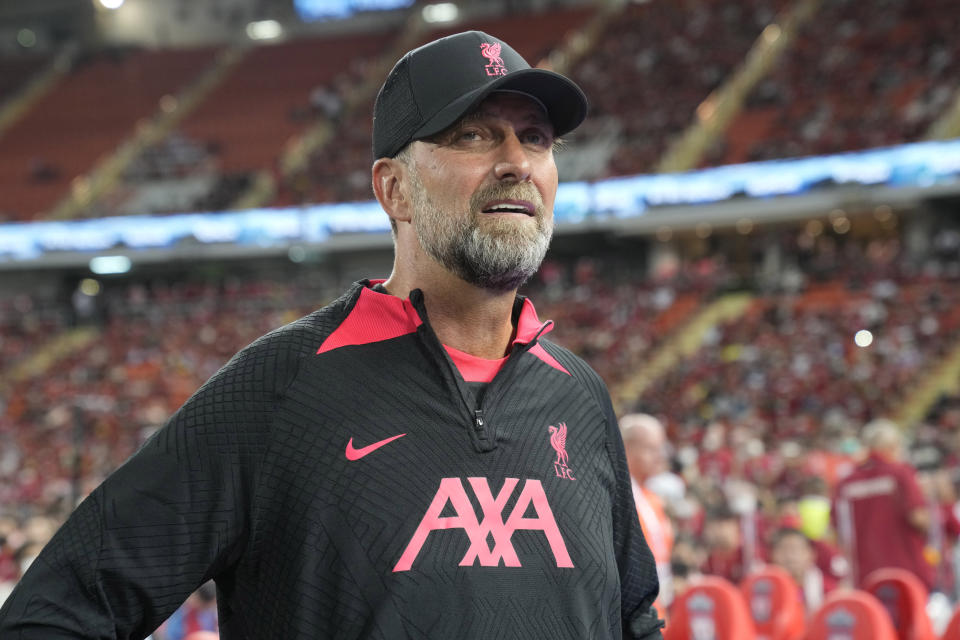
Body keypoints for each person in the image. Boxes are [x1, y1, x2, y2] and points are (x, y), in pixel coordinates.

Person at [0, 31, 663, 639]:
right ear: (396, 189)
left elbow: (635, 618)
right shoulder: (280, 390)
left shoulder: (579, 396)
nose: (517, 162)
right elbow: (54, 616)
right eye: (474, 136)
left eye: (537, 138)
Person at [833, 418, 936, 589]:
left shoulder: (846, 483)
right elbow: (918, 518)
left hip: (865, 575)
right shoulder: (900, 473)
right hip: (905, 570)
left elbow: (840, 532)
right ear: (892, 446)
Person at [620, 413, 676, 610]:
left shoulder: (653, 500)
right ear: (626, 448)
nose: (660, 456)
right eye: (652, 448)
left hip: (657, 612)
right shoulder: (617, 498)